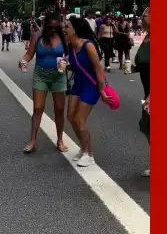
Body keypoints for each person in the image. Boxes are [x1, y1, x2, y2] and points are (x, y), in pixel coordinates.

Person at [18, 13, 68, 153]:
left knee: (59, 109)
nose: (53, 30)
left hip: (59, 75)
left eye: (55, 27)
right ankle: (33, 140)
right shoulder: (38, 36)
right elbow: (29, 53)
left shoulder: (63, 37)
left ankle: (60, 140)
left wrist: (67, 63)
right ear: (45, 25)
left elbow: (69, 55)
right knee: (38, 108)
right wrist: (23, 60)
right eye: (50, 27)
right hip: (41, 74)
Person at [63, 16, 110, 167]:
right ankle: (84, 148)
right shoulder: (71, 46)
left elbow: (98, 69)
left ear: (75, 31)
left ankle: (89, 154)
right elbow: (77, 65)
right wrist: (67, 66)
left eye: (67, 27)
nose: (64, 29)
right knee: (71, 116)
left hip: (91, 85)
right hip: (78, 84)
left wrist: (101, 90)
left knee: (79, 119)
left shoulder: (88, 45)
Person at [131, 7, 150, 177]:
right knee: (147, 127)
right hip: (148, 91)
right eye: (143, 14)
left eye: (146, 14)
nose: (143, 17)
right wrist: (135, 67)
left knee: (148, 125)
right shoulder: (146, 38)